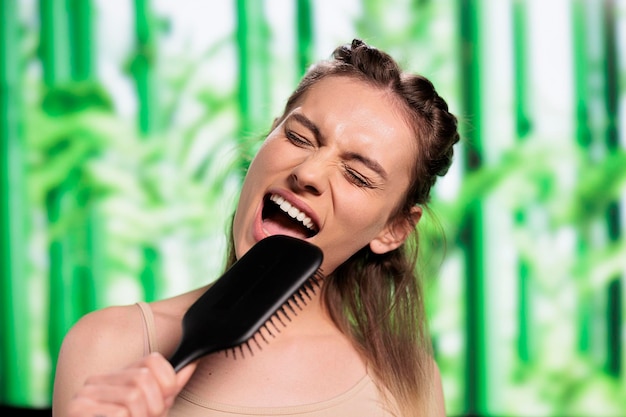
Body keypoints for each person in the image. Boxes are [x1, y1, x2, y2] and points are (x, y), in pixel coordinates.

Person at [52, 38, 460, 417]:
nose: (309, 172)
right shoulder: (108, 345)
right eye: (299, 137)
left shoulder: (409, 385)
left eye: (357, 175)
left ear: (393, 229)